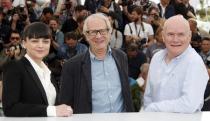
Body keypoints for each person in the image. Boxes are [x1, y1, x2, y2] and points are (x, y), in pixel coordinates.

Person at [59, 13, 134, 113]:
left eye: (102, 31)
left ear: (109, 32)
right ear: (86, 35)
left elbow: (126, 93)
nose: (98, 36)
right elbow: (65, 105)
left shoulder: (121, 57)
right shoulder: (72, 66)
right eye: (93, 32)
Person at [2, 22, 72, 117]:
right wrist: (51, 111)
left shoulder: (48, 72)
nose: (41, 45)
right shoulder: (14, 67)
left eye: (45, 41)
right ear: (24, 43)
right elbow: (10, 108)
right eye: (35, 41)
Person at [143, 15, 209, 113]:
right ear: (163, 36)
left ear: (189, 36)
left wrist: (153, 108)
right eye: (170, 34)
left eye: (181, 34)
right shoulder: (156, 58)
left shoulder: (194, 62)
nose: (175, 39)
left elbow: (188, 104)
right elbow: (148, 96)